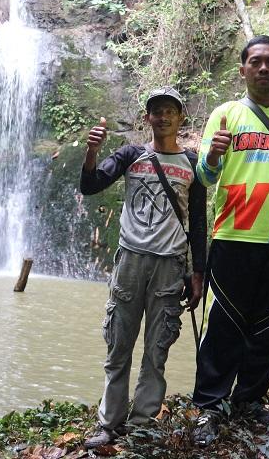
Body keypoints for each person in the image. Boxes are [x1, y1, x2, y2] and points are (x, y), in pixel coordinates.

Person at [191, 35, 269, 446]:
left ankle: (249, 402)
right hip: (233, 236)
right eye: (256, 62)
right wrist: (212, 155)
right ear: (243, 69)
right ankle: (210, 405)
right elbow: (204, 176)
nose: (264, 69)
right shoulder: (226, 114)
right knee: (224, 325)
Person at [80, 86, 207, 449]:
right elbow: (91, 185)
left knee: (157, 349)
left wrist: (199, 274)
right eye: (156, 111)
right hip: (130, 261)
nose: (163, 117)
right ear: (147, 117)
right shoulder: (130, 155)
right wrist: (91, 152)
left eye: (170, 111)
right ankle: (109, 422)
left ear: (181, 117)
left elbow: (198, 223)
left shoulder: (193, 164)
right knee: (119, 344)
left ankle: (141, 424)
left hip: (170, 266)